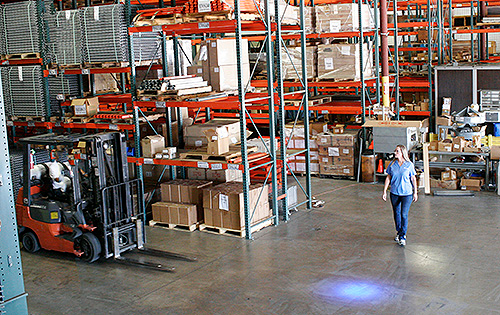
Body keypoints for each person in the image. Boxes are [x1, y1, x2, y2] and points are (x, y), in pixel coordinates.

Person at [382, 144, 418, 246]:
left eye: (397, 151)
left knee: (404, 214)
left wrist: (415, 192)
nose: (395, 153)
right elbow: (388, 177)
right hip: (394, 193)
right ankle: (399, 232)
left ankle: (403, 236)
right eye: (395, 151)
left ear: (402, 153)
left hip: (407, 194)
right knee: (396, 214)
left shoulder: (409, 165)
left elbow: (413, 178)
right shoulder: (392, 164)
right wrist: (384, 191)